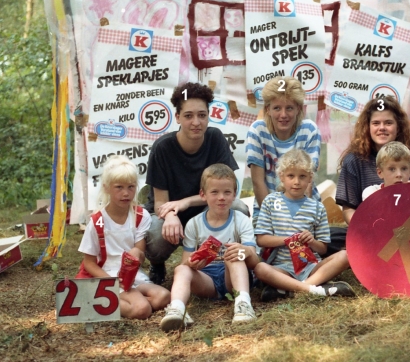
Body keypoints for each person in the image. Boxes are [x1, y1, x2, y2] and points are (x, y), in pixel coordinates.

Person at [144, 82, 241, 285]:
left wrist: (186, 201)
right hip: (171, 212)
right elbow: (160, 202)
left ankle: (227, 262)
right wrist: (170, 216)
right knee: (155, 233)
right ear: (178, 117)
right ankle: (157, 263)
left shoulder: (216, 139)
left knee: (239, 208)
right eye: (188, 116)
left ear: (208, 115)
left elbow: (230, 189)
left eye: (202, 115)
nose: (196, 122)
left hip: (206, 207)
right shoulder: (162, 148)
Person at [160, 164, 259, 331]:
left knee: (233, 255)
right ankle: (177, 309)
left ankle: (243, 304)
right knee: (180, 270)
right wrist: (194, 262)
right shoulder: (194, 224)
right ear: (202, 195)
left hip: (232, 278)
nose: (221, 197)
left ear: (234, 194)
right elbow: (186, 262)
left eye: (227, 192)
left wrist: (245, 251)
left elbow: (255, 261)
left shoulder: (241, 220)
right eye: (214, 192)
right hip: (207, 281)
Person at [253, 149, 355, 301]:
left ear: (310, 178)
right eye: (291, 176)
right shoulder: (270, 201)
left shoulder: (316, 207)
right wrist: (288, 239)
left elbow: (323, 248)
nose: (296, 182)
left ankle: (292, 289)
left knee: (346, 255)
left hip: (311, 267)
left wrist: (311, 241)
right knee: (260, 268)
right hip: (281, 268)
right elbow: (261, 239)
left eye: (302, 176)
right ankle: (313, 288)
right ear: (281, 177)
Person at [77, 155, 170, 319]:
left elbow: (139, 254)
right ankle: (92, 300)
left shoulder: (141, 216)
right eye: (118, 187)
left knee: (163, 296)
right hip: (105, 276)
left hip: (132, 275)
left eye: (131, 187)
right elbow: (89, 263)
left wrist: (136, 253)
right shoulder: (97, 221)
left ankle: (117, 302)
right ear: (106, 188)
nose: (126, 193)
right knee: (142, 310)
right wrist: (111, 281)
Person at [245, 76, 321, 226]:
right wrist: (276, 220)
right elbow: (258, 182)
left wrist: (299, 219)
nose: (283, 115)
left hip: (305, 207)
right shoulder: (257, 130)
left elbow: (308, 181)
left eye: (289, 108)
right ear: (268, 109)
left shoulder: (309, 130)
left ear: (299, 108)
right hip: (267, 208)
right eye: (277, 108)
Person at [336, 96, 410, 225]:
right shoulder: (354, 160)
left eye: (388, 123)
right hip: (372, 228)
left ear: (398, 126)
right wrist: (368, 230)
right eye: (376, 123)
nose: (382, 128)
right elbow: (349, 209)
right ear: (367, 127)